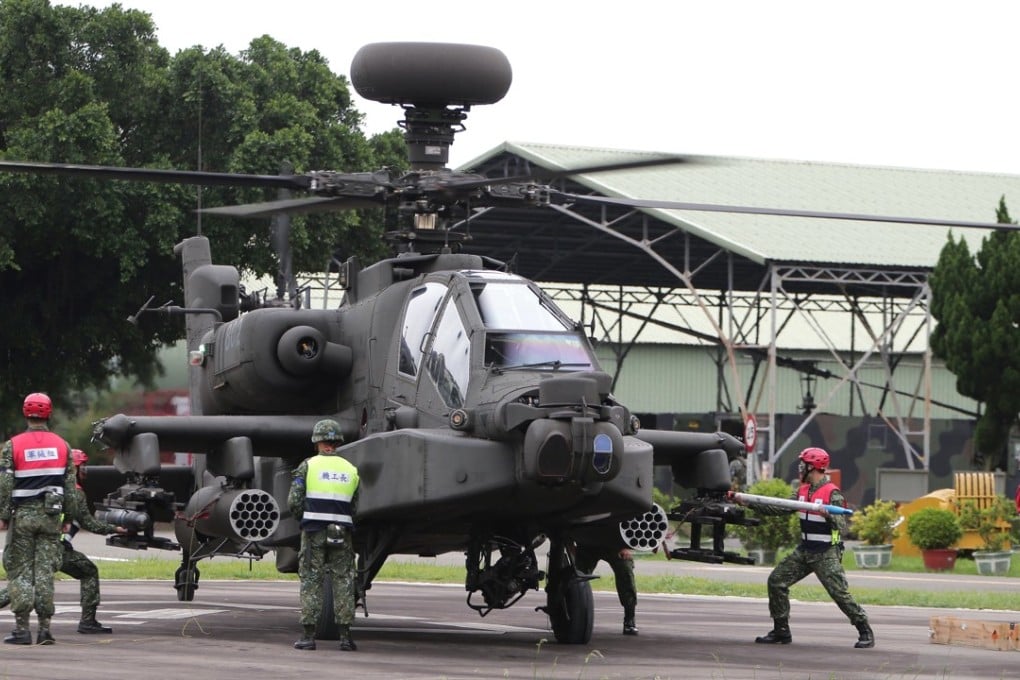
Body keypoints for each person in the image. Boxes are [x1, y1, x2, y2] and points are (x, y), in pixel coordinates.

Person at [741, 447, 874, 649]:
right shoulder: (802, 491)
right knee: (776, 581)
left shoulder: (832, 493)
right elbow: (779, 508)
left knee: (839, 593)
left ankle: (864, 629)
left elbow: (842, 526)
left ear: (814, 467)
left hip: (826, 552)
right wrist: (748, 502)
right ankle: (781, 631)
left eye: (804, 464)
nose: (800, 468)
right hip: (805, 550)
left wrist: (827, 514)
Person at [0, 449, 127, 633]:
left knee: (25, 582)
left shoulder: (45, 486)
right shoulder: (75, 493)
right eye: (82, 467)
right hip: (54, 548)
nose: (85, 472)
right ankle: (87, 622)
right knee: (87, 571)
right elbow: (89, 523)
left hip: (35, 545)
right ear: (73, 469)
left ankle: (87, 621)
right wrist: (115, 529)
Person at [0, 392, 76, 645]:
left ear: (25, 412)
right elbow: (70, 485)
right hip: (51, 517)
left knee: (20, 571)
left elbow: (5, 483)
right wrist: (69, 517)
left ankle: (22, 630)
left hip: (22, 516)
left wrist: (3, 514)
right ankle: (45, 630)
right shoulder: (62, 446)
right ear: (49, 413)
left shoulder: (13, 445)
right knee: (44, 572)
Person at [288, 419, 360, 652]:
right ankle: (346, 638)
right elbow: (356, 506)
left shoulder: (307, 466)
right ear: (337, 442)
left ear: (317, 441)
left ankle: (308, 636)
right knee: (344, 580)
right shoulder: (351, 469)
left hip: (313, 532)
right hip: (342, 532)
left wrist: (304, 518)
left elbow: (294, 501)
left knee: (311, 579)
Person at [574, 544, 639, 635]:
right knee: (576, 579)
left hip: (614, 544)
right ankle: (570, 617)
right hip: (588, 543)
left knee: (625, 571)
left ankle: (630, 619)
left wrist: (625, 546)